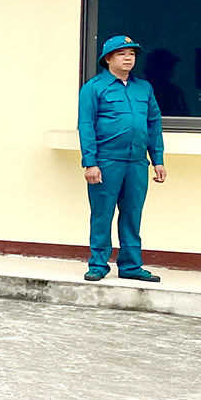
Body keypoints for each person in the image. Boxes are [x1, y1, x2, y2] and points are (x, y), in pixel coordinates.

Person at [79, 34, 167, 282]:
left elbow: (153, 124)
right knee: (102, 213)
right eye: (121, 53)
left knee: (132, 213)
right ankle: (98, 264)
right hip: (106, 161)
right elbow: (86, 126)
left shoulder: (144, 88)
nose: (128, 58)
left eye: (132, 54)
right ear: (107, 59)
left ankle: (130, 266)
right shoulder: (93, 88)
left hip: (137, 162)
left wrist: (157, 159)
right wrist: (90, 162)